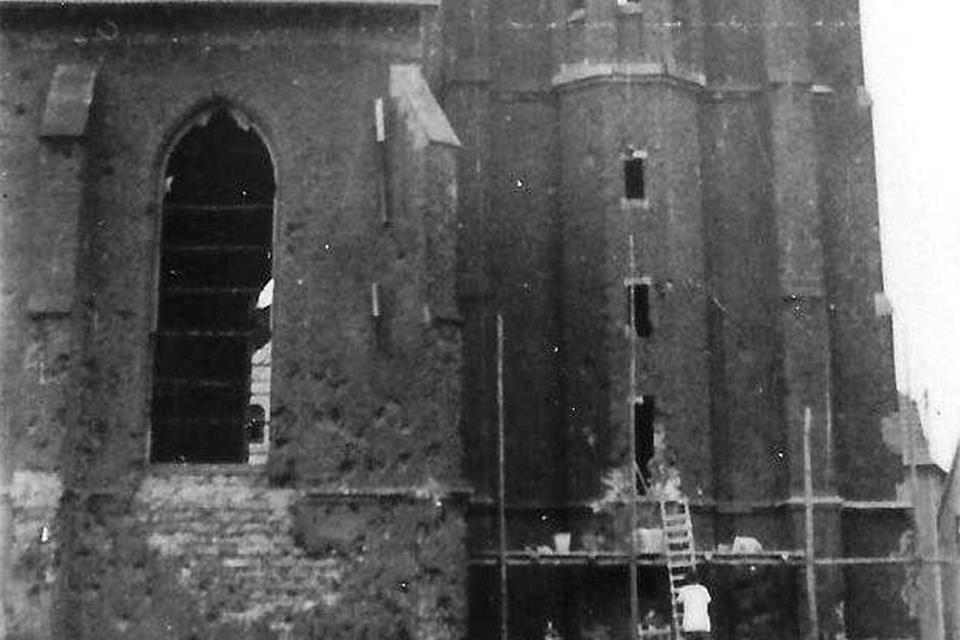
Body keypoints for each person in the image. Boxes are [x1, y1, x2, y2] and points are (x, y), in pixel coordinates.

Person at [676, 569, 712, 638]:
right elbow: (708, 601)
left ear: (687, 580)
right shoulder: (703, 589)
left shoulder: (684, 590)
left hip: (689, 626)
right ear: (697, 580)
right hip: (704, 625)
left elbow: (678, 602)